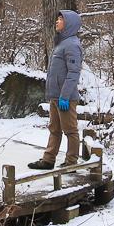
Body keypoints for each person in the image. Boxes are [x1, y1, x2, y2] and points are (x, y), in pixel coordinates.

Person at [29, 9, 83, 170]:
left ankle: (71, 162)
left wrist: (65, 96)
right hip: (55, 96)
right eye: (57, 19)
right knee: (54, 129)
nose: (57, 22)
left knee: (70, 130)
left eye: (61, 19)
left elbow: (74, 72)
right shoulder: (61, 43)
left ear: (69, 24)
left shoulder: (72, 45)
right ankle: (48, 160)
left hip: (65, 97)